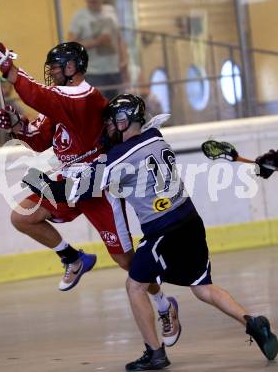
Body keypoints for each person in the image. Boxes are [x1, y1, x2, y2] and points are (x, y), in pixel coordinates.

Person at [0, 37, 181, 346]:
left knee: (127, 262)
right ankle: (73, 258)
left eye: (56, 67)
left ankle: (165, 306)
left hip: (97, 184)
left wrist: (8, 66)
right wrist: (19, 126)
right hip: (68, 181)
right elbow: (39, 140)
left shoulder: (84, 97)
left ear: (72, 68)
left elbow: (39, 95)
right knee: (23, 216)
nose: (51, 72)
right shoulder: (60, 102)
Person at [63, 94, 278, 370]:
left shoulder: (119, 156)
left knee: (135, 286)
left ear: (124, 120)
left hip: (165, 229)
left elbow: (76, 190)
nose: (108, 129)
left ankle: (156, 353)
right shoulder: (155, 136)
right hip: (189, 220)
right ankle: (252, 323)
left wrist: (40, 181)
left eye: (112, 123)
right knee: (202, 287)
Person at [68, 0, 128, 100]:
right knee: (98, 112)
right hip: (93, 74)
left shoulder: (111, 11)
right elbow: (71, 46)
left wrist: (125, 60)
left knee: (118, 111)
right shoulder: (79, 17)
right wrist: (97, 42)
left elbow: (119, 38)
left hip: (115, 71)